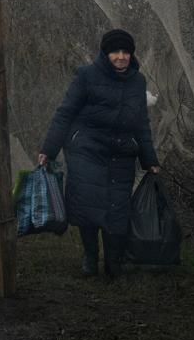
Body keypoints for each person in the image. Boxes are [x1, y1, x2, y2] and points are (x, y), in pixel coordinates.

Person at [37, 28, 160, 276]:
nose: (121, 57)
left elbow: (141, 123)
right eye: (115, 52)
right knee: (88, 206)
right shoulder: (86, 75)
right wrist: (49, 149)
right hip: (87, 150)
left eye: (126, 52)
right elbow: (65, 113)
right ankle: (90, 257)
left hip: (121, 154)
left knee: (117, 209)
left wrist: (149, 159)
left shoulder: (138, 81)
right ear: (105, 54)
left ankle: (113, 262)